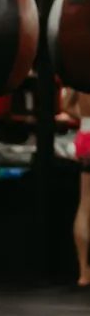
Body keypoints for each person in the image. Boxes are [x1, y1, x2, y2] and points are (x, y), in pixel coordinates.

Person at [62, 87, 90, 287]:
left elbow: (65, 105)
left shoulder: (79, 71)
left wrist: (85, 117)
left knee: (85, 204)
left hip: (85, 135)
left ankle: (83, 272)